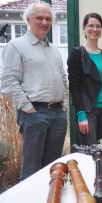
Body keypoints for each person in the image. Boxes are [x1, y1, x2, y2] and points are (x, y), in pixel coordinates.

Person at [1, 2, 67, 181]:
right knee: (32, 169)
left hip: (58, 114)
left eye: (48, 18)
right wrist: (28, 107)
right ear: (28, 20)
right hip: (35, 114)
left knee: (53, 168)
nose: (44, 22)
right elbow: (8, 81)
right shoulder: (16, 46)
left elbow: (63, 78)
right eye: (39, 18)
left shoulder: (53, 50)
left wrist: (64, 105)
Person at [67, 13, 102, 146]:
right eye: (91, 25)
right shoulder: (77, 53)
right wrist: (81, 114)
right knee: (90, 152)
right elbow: (74, 86)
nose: (94, 29)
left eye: (98, 26)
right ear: (84, 27)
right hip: (88, 112)